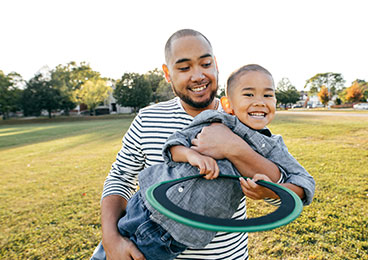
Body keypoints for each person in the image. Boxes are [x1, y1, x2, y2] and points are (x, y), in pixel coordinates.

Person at [93, 29, 313, 260]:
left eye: (206, 63)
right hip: (139, 234)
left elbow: (279, 192)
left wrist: (234, 149)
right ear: (167, 73)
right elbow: (120, 178)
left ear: (216, 64)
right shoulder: (147, 119)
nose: (198, 76)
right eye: (184, 67)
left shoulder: (248, 121)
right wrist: (110, 240)